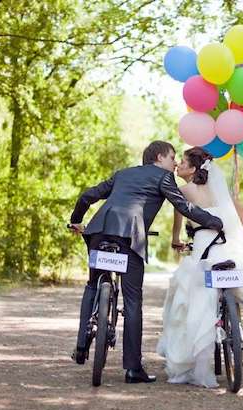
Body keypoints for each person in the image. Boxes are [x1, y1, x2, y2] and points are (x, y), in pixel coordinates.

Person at [68, 141, 223, 384]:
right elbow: (184, 207)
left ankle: (80, 346)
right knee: (132, 301)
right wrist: (214, 220)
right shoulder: (163, 177)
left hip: (99, 232)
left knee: (92, 284)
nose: (174, 163)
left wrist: (76, 221)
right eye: (172, 157)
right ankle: (132, 369)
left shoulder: (124, 174)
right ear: (160, 157)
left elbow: (89, 195)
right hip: (129, 238)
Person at [157, 147, 243, 388]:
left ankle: (194, 358)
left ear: (192, 168)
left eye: (183, 162)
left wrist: (176, 240)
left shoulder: (184, 191)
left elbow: (178, 221)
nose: (178, 165)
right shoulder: (221, 191)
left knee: (189, 295)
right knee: (231, 282)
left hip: (204, 248)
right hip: (230, 247)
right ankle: (235, 325)